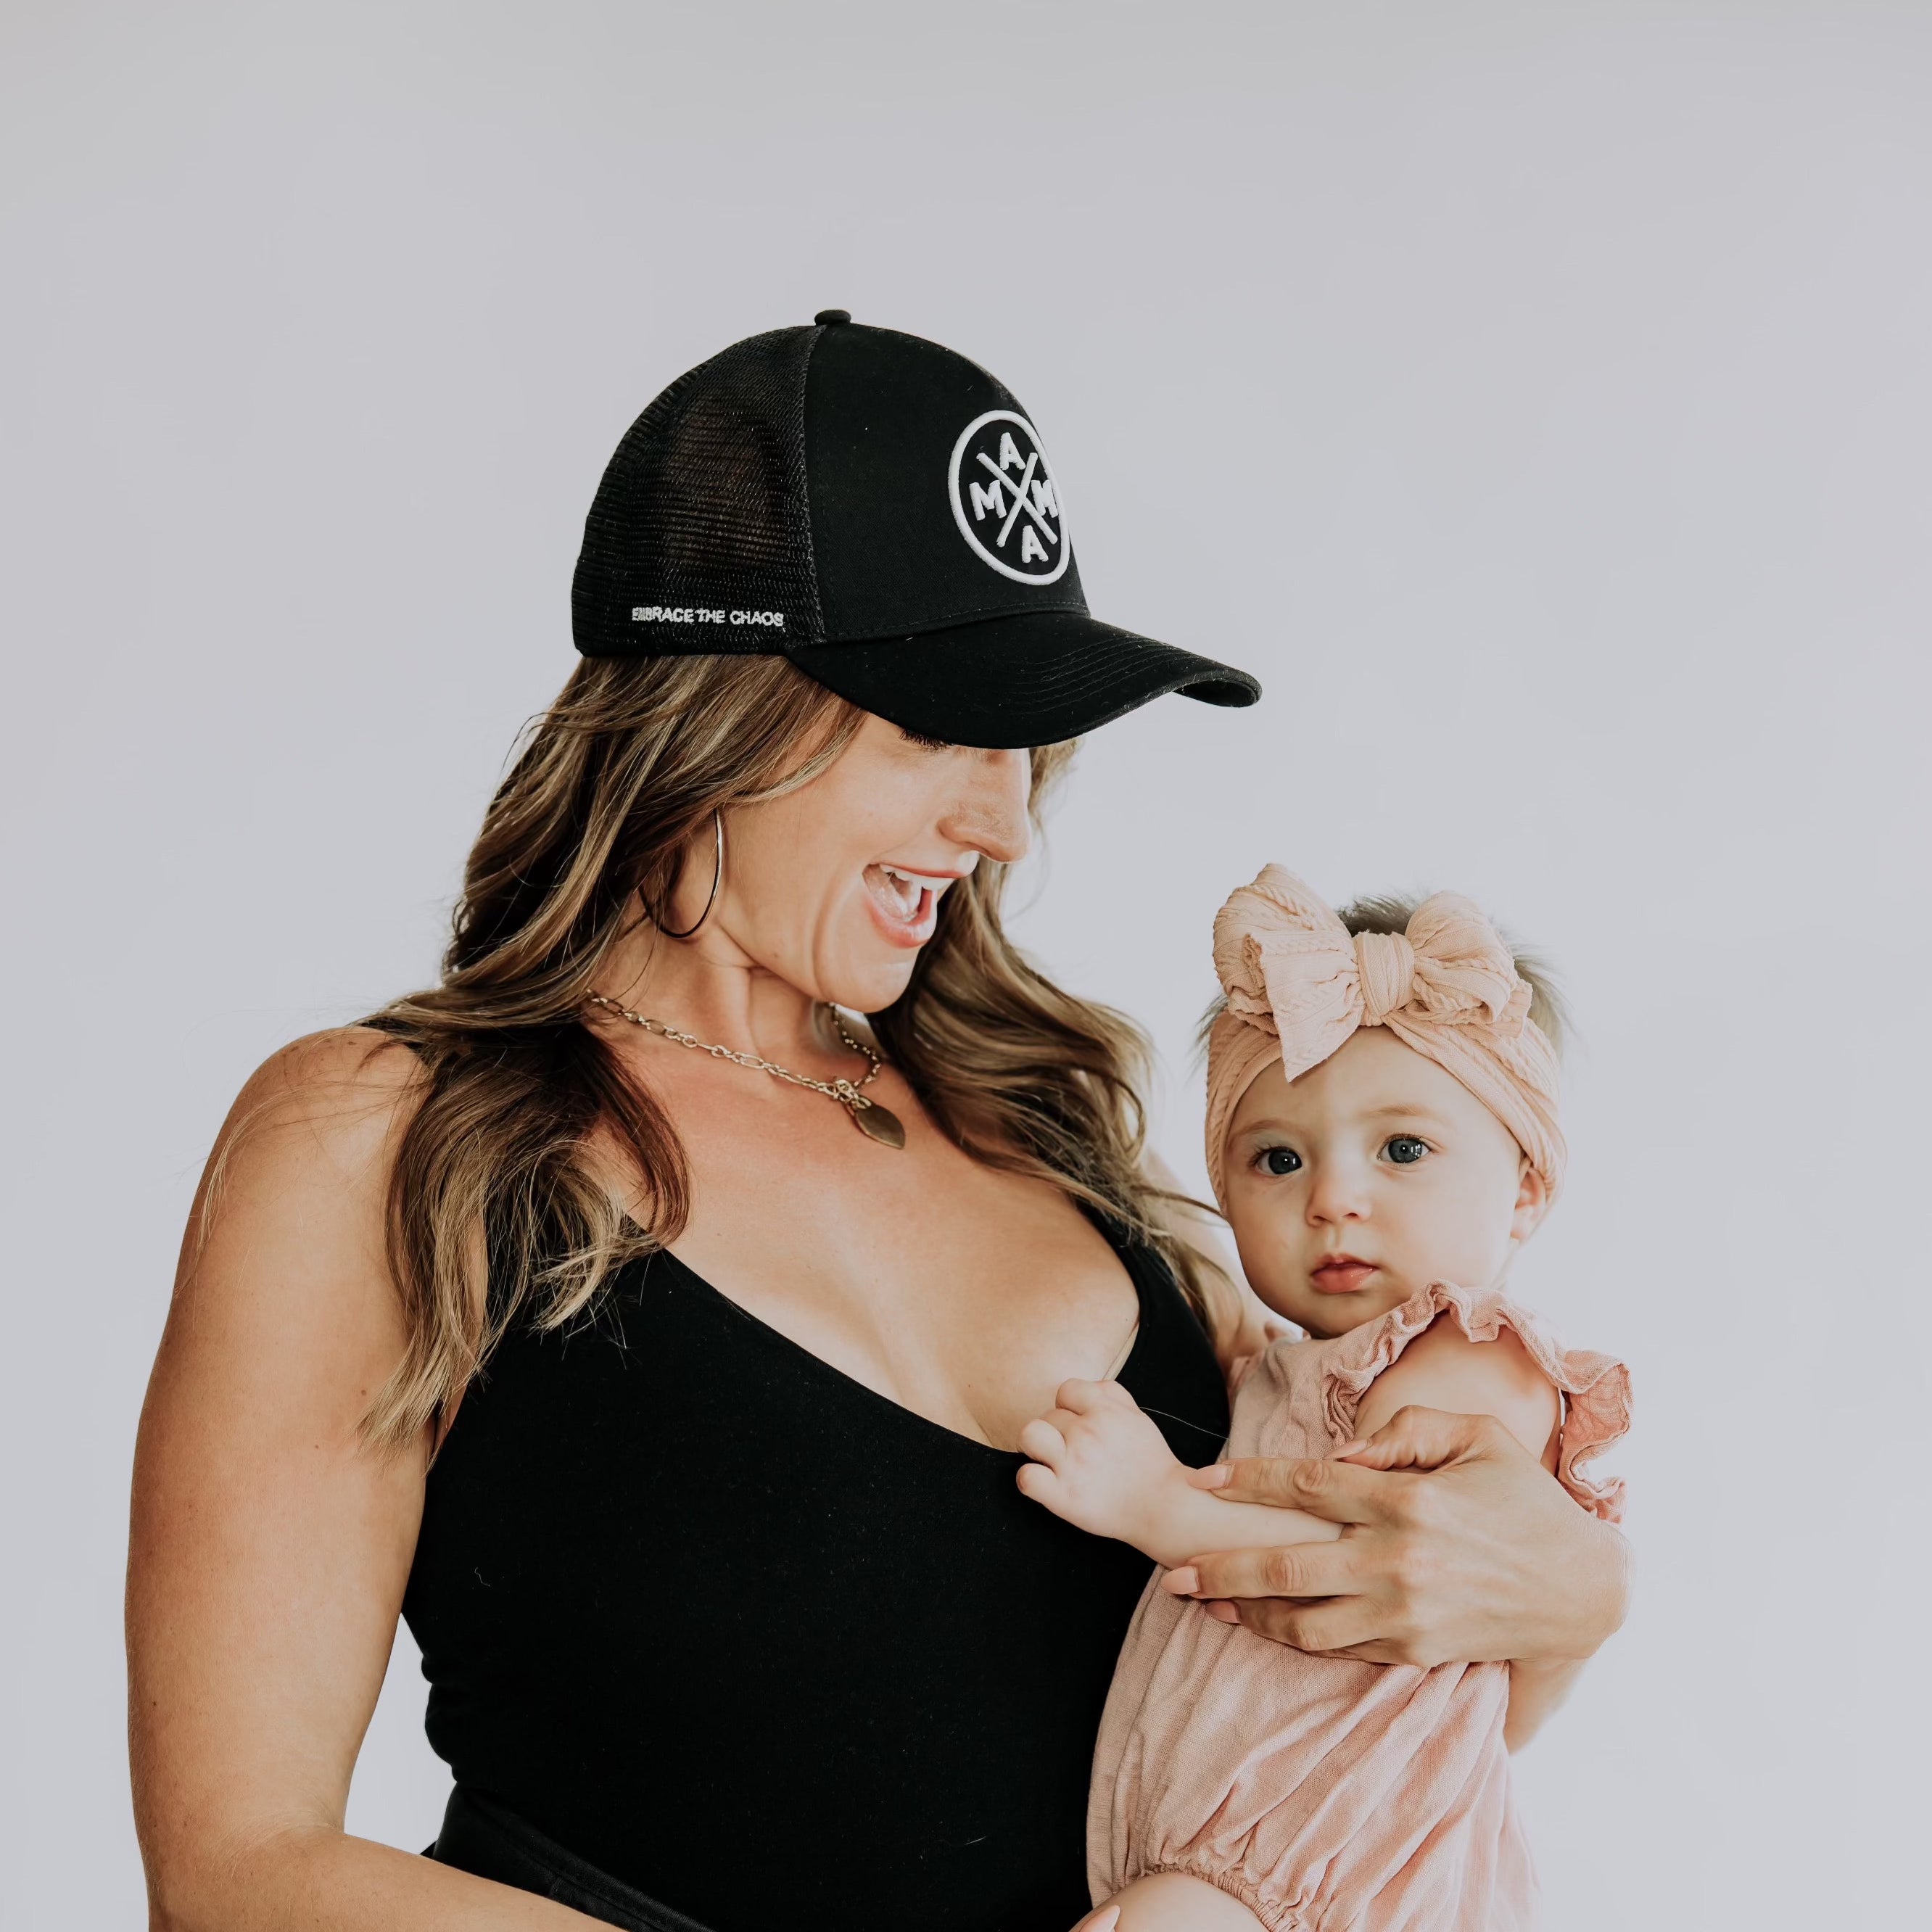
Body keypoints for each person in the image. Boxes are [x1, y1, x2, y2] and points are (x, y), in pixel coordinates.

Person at [126, 316, 1630, 1932]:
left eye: (1023, 746)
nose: (996, 823)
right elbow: (240, 1874)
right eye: (938, 727)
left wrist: (1572, 1595)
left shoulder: (1054, 1135)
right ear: (718, 704)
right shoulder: (385, 1142)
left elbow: (1368, 1725)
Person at [1017, 867, 1632, 1930]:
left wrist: (1156, 1502)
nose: (1333, 1198)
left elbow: (1370, 1542)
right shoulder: (1302, 1365)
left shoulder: (1472, 1357)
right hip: (1234, 1858)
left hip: (1321, 1865)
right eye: (1277, 1158)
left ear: (1524, 1188)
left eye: (1404, 1150)